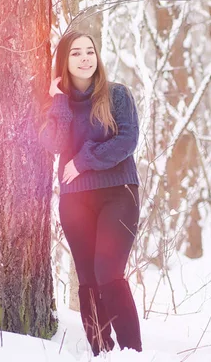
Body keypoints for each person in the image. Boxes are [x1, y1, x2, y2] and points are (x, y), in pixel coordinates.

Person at [38, 30, 142, 355]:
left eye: (89, 52)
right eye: (76, 53)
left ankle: (132, 353)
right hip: (75, 201)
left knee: (108, 271)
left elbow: (126, 141)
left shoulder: (117, 95)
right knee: (87, 278)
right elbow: (52, 144)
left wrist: (83, 160)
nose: (85, 58)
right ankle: (102, 351)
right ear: (64, 62)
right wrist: (59, 103)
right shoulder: (58, 106)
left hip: (118, 194)